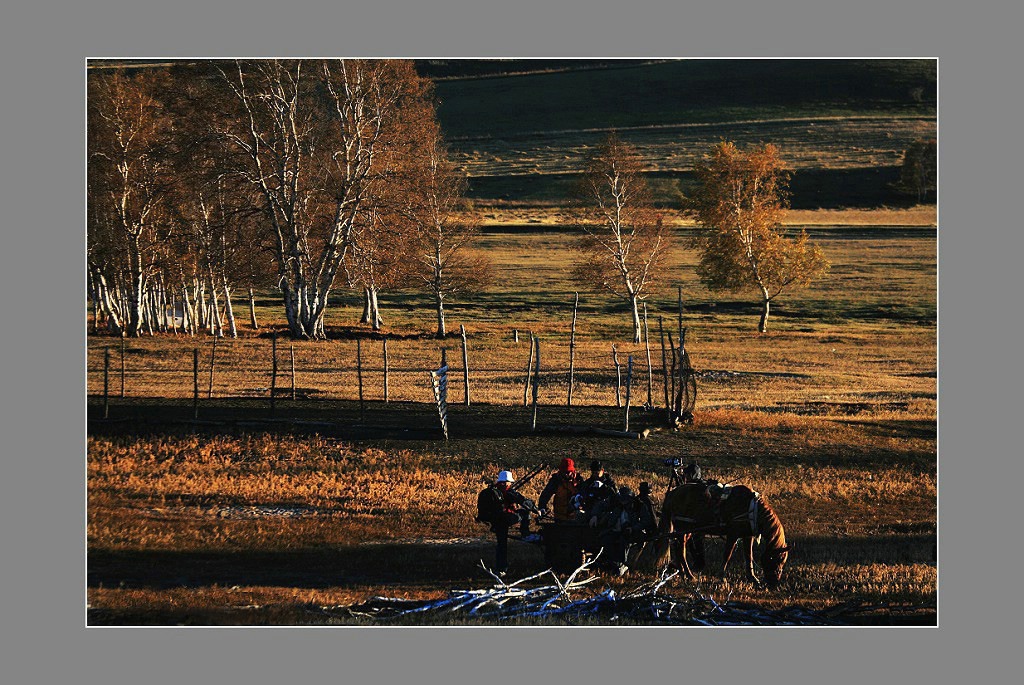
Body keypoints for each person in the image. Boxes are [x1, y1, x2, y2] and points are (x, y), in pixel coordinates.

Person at [476, 470, 537, 575]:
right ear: (505, 482)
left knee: (501, 545)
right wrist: (537, 510)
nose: (510, 484)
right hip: (504, 519)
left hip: (496, 521)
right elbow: (523, 501)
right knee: (525, 513)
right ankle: (525, 534)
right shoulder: (508, 492)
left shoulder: (493, 490)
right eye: (509, 482)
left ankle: (501, 569)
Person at [538, 457, 584, 521]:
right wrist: (542, 507)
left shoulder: (579, 480)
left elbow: (584, 496)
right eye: (564, 471)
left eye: (568, 472)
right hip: (559, 516)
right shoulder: (555, 480)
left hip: (575, 517)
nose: (566, 474)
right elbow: (546, 494)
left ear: (572, 471)